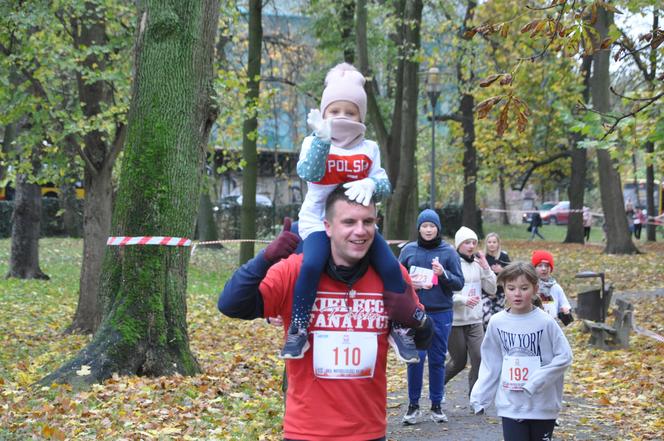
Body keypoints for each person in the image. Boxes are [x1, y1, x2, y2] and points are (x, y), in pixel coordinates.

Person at [218, 186, 434, 441]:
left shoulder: (392, 276)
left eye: (368, 221)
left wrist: (416, 318)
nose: (360, 230)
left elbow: (422, 340)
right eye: (349, 222)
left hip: (369, 432)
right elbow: (231, 304)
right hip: (306, 432)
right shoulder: (295, 272)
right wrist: (265, 258)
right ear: (328, 227)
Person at [286, 62, 420, 362]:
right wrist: (321, 141)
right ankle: (298, 327)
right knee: (311, 265)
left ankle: (399, 326)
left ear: (360, 115)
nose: (342, 117)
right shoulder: (314, 141)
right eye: (335, 111)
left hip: (359, 226)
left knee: (390, 265)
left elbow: (386, 184)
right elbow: (308, 172)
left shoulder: (369, 147)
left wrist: (372, 184)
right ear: (323, 114)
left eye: (350, 111)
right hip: (320, 223)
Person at [470, 261, 573, 441]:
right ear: (504, 288)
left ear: (535, 288)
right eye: (511, 288)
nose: (517, 294)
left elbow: (564, 356)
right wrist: (480, 395)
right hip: (511, 405)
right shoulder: (497, 322)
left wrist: (538, 380)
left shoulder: (545, 322)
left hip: (542, 405)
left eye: (524, 288)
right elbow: (491, 362)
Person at [398, 209, 465, 425]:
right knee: (416, 359)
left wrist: (442, 274)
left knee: (437, 360)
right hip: (415, 313)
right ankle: (413, 406)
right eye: (424, 226)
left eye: (432, 226)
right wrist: (411, 283)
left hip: (441, 312)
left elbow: (459, 283)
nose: (428, 230)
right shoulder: (409, 250)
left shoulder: (448, 252)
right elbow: (396, 280)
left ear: (438, 228)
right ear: (419, 228)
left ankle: (437, 406)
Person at [444, 226, 497, 396]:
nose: (471, 246)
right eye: (467, 242)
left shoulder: (478, 264)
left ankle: (475, 396)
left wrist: (487, 268)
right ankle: (437, 388)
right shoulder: (451, 264)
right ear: (459, 244)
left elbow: (492, 289)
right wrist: (463, 300)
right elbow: (445, 295)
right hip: (456, 321)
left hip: (475, 320)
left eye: (474, 242)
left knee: (479, 358)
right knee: (459, 362)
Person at [531, 250, 571, 320]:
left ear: (551, 268)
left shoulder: (556, 287)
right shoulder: (530, 286)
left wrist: (566, 312)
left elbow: (564, 306)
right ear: (534, 268)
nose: (544, 269)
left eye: (547, 266)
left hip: (552, 324)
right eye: (540, 266)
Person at [482, 232, 511, 329]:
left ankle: (497, 340)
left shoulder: (503, 256)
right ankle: (486, 338)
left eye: (494, 242)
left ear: (498, 243)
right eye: (489, 242)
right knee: (486, 319)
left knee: (498, 319)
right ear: (486, 244)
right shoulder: (482, 257)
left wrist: (501, 270)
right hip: (485, 293)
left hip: (500, 292)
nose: (492, 244)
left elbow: (512, 274)